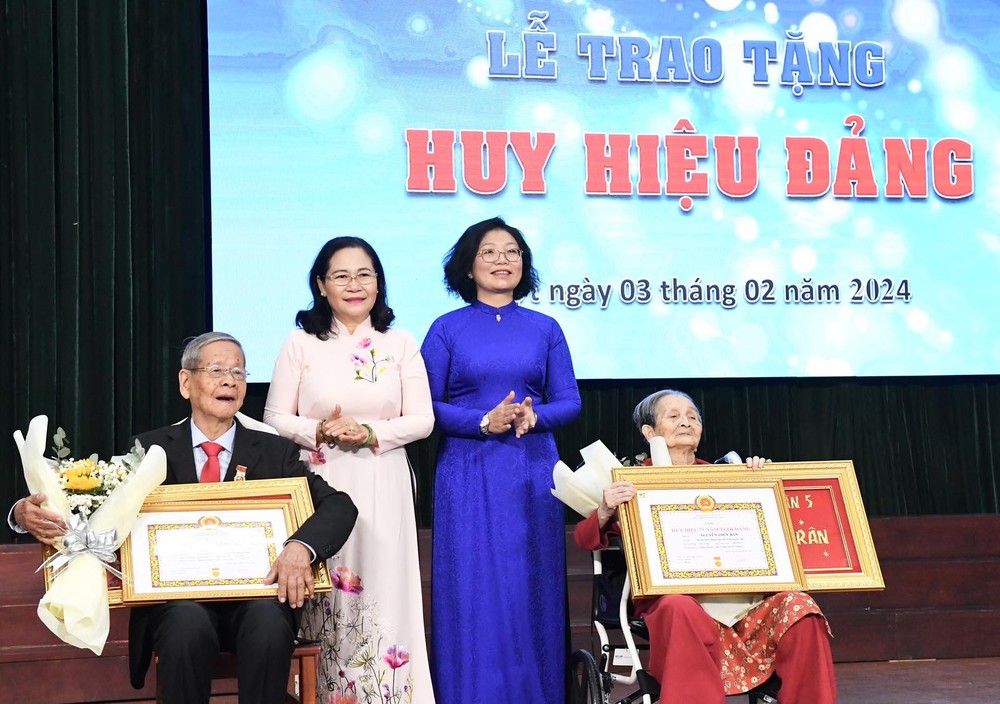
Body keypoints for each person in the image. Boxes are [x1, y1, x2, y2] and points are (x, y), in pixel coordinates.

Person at [12, 331, 359, 704]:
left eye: (239, 373)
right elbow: (90, 509)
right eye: (217, 370)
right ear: (185, 382)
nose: (230, 381)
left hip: (256, 599)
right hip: (178, 604)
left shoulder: (275, 451)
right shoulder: (147, 448)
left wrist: (300, 548)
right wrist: (23, 513)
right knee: (185, 624)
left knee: (267, 623)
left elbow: (339, 505)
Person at [574, 389, 836, 704]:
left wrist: (760, 480)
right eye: (673, 417)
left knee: (800, 608)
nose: (685, 422)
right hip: (675, 600)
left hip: (741, 598)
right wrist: (605, 510)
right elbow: (584, 539)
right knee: (679, 606)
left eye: (692, 417)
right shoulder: (632, 484)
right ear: (649, 432)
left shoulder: (725, 477)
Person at [263, 236, 436, 702]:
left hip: (383, 477)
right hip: (321, 484)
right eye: (341, 275)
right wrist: (320, 430)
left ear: (379, 285)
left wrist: (370, 433)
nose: (354, 285)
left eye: (365, 275)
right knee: (327, 591)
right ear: (321, 285)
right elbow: (274, 419)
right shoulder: (299, 344)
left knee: (384, 589)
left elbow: (423, 420)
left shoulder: (400, 343)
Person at [420, 216, 582, 702]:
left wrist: (537, 417)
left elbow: (570, 401)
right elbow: (424, 407)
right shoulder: (446, 328)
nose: (502, 261)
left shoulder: (545, 327)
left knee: (530, 584)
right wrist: (480, 421)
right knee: (473, 587)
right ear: (468, 266)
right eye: (489, 252)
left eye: (512, 252)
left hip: (532, 468)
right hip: (468, 470)